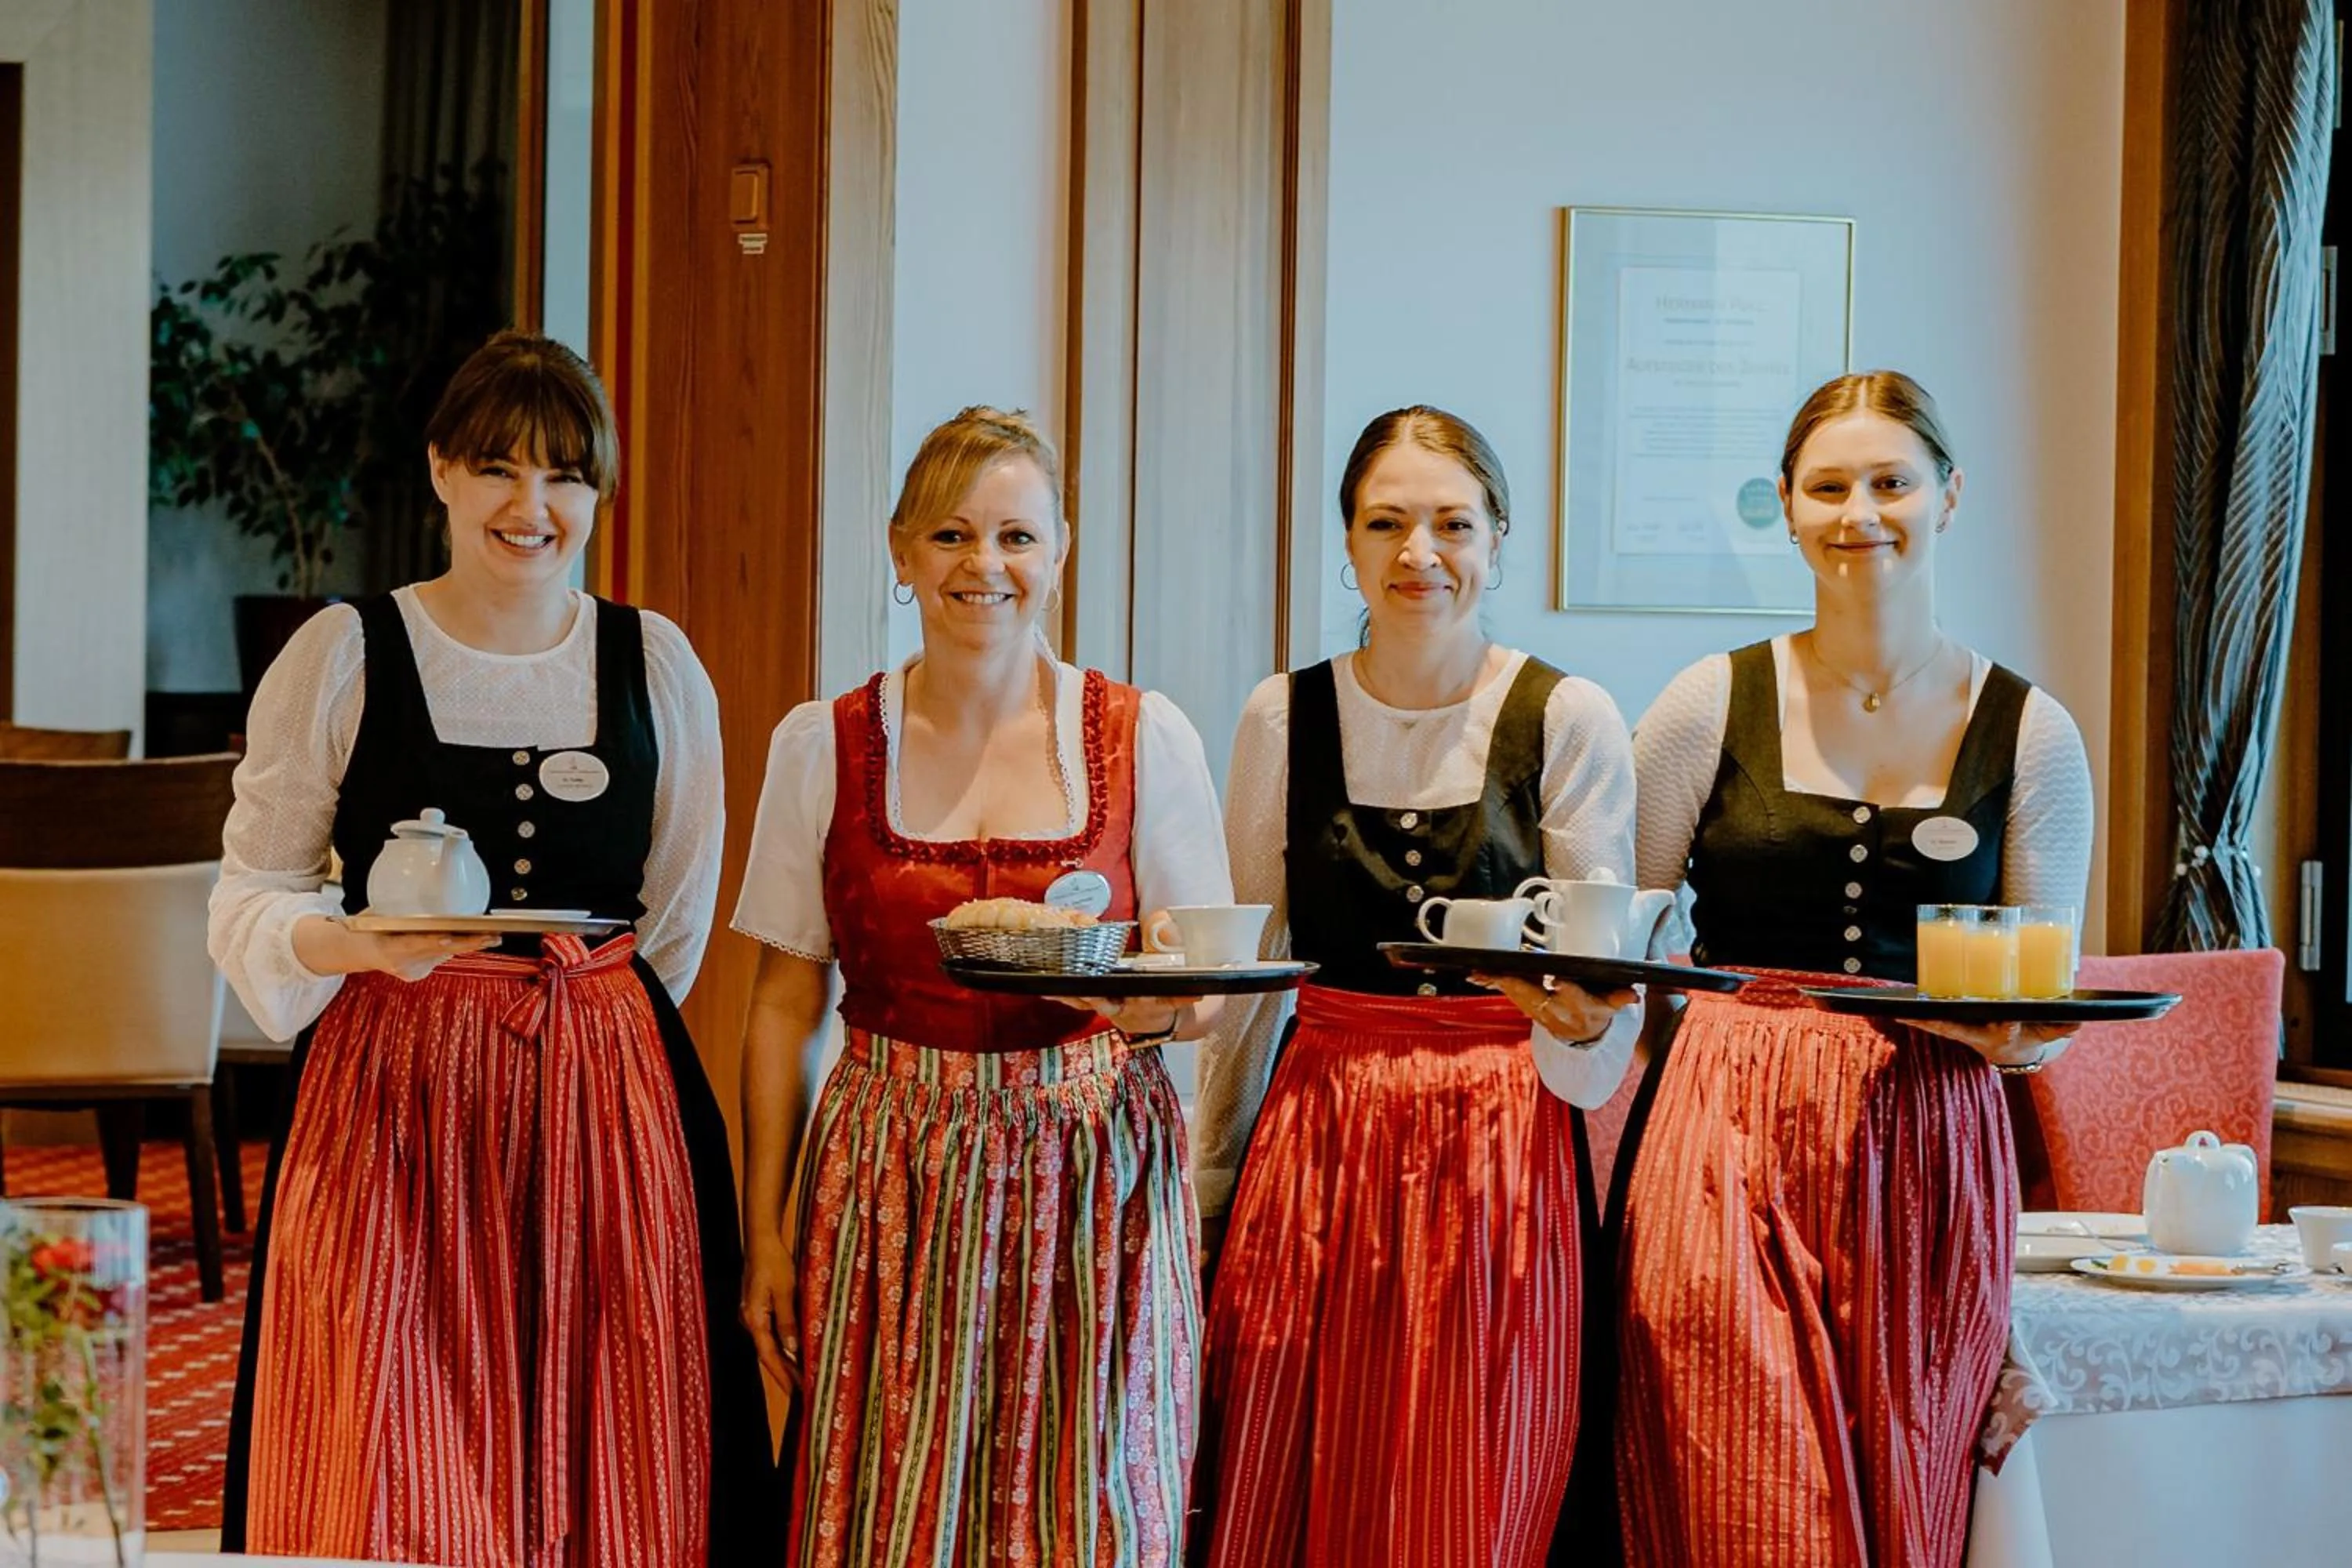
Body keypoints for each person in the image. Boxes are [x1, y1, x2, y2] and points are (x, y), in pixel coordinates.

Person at [209, 330, 776, 1563]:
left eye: (565, 477)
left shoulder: (654, 663)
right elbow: (251, 886)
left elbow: (670, 915)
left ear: (595, 494)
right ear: (442, 475)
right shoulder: (346, 652)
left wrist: (584, 1038)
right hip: (389, 1092)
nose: (533, 506)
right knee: (387, 1420)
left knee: (615, 1412)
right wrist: (353, 946)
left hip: (604, 1092)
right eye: (499, 470)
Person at [732, 405, 1232, 1567]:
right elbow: (780, 1001)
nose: (984, 566)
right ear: (902, 554)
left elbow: (1203, 986)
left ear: (1059, 551)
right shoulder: (824, 741)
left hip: (1095, 1161)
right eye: (952, 537)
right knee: (885, 1506)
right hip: (889, 1159)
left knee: (1095, 1501)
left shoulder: (1145, 735)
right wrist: (764, 1229)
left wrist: (1146, 1007)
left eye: (1015, 536)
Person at [1615, 370, 2093, 1566]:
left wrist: (2019, 1039)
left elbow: (2044, 998)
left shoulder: (2031, 730)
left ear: (1949, 497)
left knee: (1911, 1499)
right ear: (1784, 506)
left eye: (1892, 482)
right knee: (1749, 1503)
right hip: (1725, 1135)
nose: (1860, 512)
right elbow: (1610, 933)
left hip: (1930, 1145)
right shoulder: (1703, 706)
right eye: (1828, 487)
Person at [1191, 406, 1645, 1566]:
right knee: (1294, 1462)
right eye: (1386, 522)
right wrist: (1210, 1182)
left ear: (1499, 540)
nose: (1419, 553)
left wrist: (1578, 1018)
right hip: (1321, 1130)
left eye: (1452, 522)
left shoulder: (1569, 716)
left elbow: (1602, 991)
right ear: (1346, 543)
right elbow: (1253, 975)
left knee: (1479, 1478)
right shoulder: (1281, 715)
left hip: (1501, 1135)